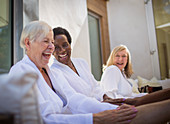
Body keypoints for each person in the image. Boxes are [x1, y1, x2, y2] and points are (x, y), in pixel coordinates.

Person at [8, 21, 170, 124]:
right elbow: (42, 119)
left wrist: (109, 110)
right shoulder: (19, 72)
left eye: (52, 42)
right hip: (80, 120)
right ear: (28, 43)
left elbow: (74, 99)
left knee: (124, 114)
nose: (52, 47)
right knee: (128, 116)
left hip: (81, 118)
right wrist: (96, 119)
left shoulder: (51, 72)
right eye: (46, 42)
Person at [51, 27, 121, 103]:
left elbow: (95, 86)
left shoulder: (81, 63)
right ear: (52, 51)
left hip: (101, 103)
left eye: (65, 45)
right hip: (85, 111)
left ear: (70, 45)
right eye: (56, 48)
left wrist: (105, 97)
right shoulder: (54, 72)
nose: (62, 50)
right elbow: (73, 99)